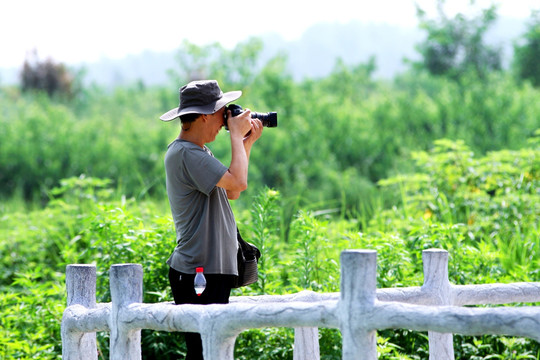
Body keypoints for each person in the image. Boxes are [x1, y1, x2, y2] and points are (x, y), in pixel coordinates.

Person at [159, 80, 263, 359]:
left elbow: (231, 192)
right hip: (198, 271)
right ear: (204, 115)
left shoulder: (199, 152)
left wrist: (245, 143)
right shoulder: (186, 154)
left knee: (213, 351)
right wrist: (235, 137)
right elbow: (239, 183)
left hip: (209, 270)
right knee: (205, 353)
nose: (225, 120)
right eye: (221, 112)